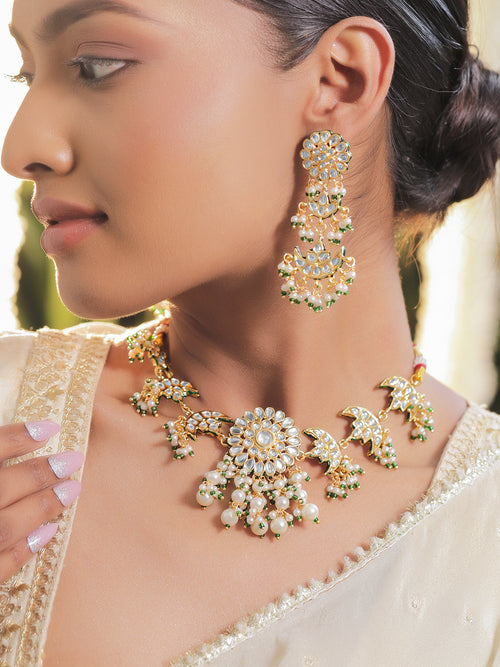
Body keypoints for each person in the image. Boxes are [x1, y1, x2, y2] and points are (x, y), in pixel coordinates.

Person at [0, 0, 499, 665]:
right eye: (27, 75)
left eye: (96, 65)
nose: (20, 150)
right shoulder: (13, 424)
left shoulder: (485, 537)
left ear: (341, 80)